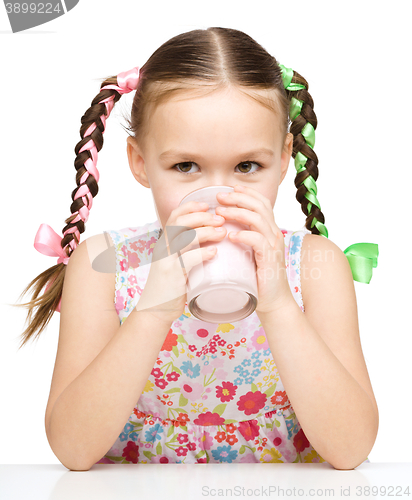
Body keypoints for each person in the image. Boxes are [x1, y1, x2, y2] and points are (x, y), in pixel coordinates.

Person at [14, 27, 379, 470]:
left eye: (248, 166)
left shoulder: (316, 264)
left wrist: (280, 305)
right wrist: (152, 309)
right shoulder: (103, 266)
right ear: (141, 163)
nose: (220, 194)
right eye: (186, 166)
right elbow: (72, 450)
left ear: (284, 159)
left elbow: (352, 448)